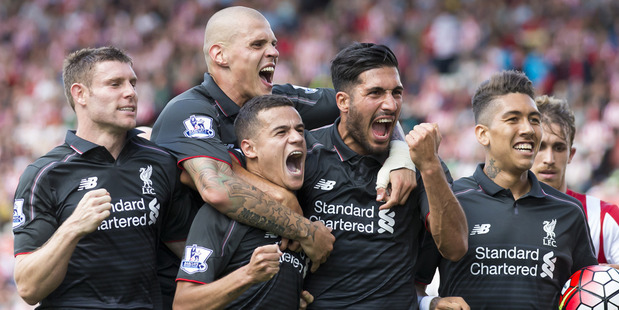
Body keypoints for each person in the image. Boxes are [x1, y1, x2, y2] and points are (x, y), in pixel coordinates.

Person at [150, 5, 414, 286]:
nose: (274, 51)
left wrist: (401, 156)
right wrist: (303, 229)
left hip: (261, 279)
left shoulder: (277, 102)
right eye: (257, 44)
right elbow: (218, 188)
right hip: (184, 284)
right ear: (219, 55)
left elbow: (360, 102)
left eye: (274, 44)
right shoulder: (190, 111)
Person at [12, 46, 193, 309]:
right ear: (80, 94)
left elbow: (188, 252)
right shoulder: (45, 174)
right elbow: (28, 289)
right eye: (115, 84)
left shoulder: (161, 161)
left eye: (132, 83)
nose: (131, 92)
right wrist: (73, 227)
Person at [294, 42, 468, 309]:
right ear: (343, 101)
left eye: (396, 93)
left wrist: (429, 166)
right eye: (375, 93)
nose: (390, 104)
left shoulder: (422, 162)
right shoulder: (306, 152)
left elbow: (455, 247)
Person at [414, 70, 597, 309]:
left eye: (534, 119)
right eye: (513, 119)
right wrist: (431, 303)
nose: (529, 129)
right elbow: (411, 288)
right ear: (483, 134)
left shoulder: (570, 211)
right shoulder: (448, 201)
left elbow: (590, 294)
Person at [174, 95, 317, 309]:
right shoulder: (221, 215)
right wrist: (249, 275)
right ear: (249, 149)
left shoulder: (305, 207)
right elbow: (184, 304)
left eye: (300, 130)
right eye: (281, 132)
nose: (297, 138)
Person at [532, 95, 619, 269]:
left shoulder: (604, 217)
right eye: (540, 146)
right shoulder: (503, 215)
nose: (549, 159)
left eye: (559, 148)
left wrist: (595, 277)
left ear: (571, 154)